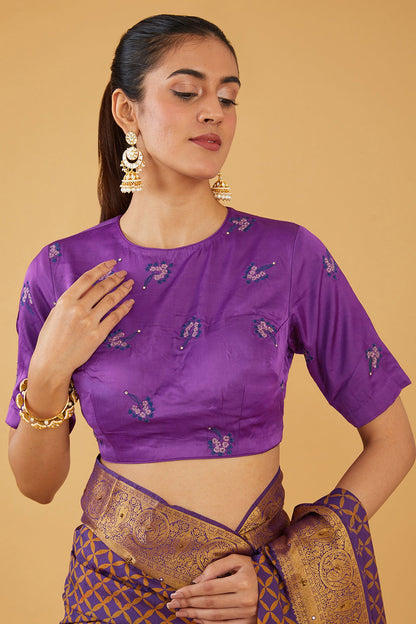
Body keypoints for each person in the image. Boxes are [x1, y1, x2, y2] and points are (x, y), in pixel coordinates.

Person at [6, 14, 414, 624]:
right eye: (186, 92)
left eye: (228, 97)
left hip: (249, 598)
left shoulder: (287, 256)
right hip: (111, 596)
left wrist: (283, 572)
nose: (214, 113)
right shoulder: (64, 271)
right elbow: (36, 486)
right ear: (127, 111)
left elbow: (394, 442)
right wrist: (46, 374)